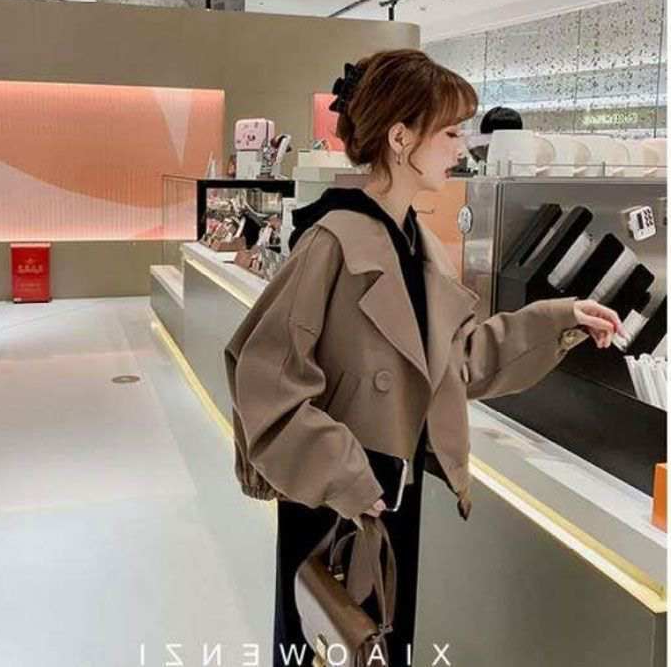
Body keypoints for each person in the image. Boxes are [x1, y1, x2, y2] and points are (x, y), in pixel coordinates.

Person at [224, 50, 623, 666]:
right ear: (401, 137)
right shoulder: (332, 242)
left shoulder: (419, 245)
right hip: (334, 502)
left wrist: (558, 319)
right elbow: (265, 380)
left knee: (382, 642)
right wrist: (348, 474)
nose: (461, 147)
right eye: (450, 132)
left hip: (392, 499)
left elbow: (457, 365)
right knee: (326, 640)